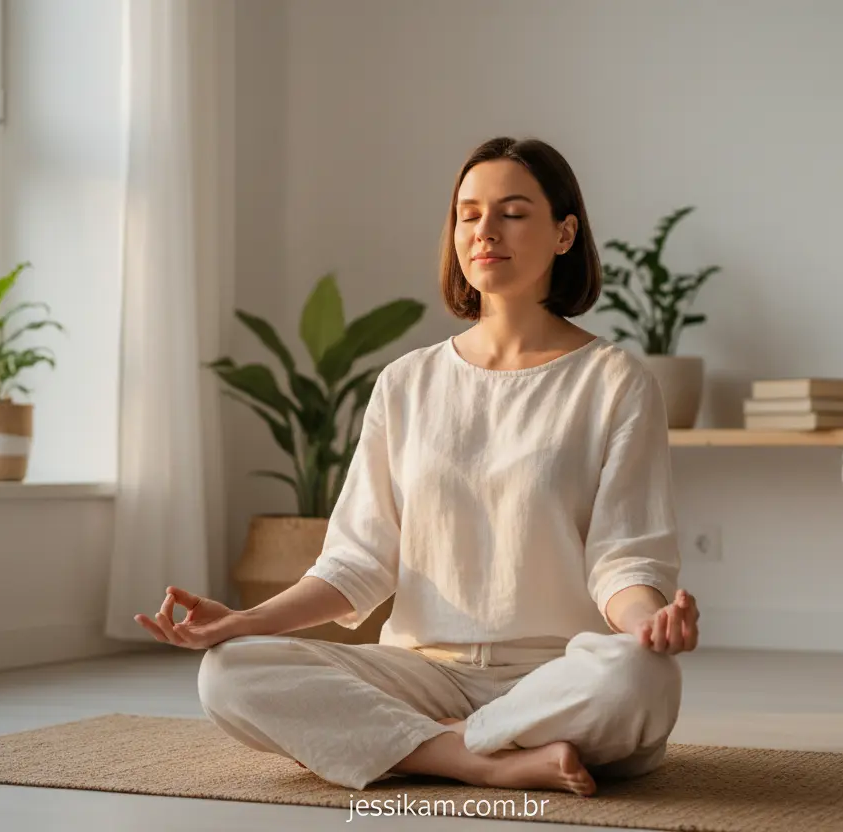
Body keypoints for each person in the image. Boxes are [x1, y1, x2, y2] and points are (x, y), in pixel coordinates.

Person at [134, 136, 700, 797]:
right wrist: (242, 622)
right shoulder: (408, 382)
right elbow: (356, 563)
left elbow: (623, 560)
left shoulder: (616, 381)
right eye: (468, 213)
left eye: (513, 212)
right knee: (229, 673)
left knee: (642, 679)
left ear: (564, 232)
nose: (485, 230)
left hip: (558, 674)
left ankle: (423, 742)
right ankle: (481, 758)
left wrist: (647, 626)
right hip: (421, 672)